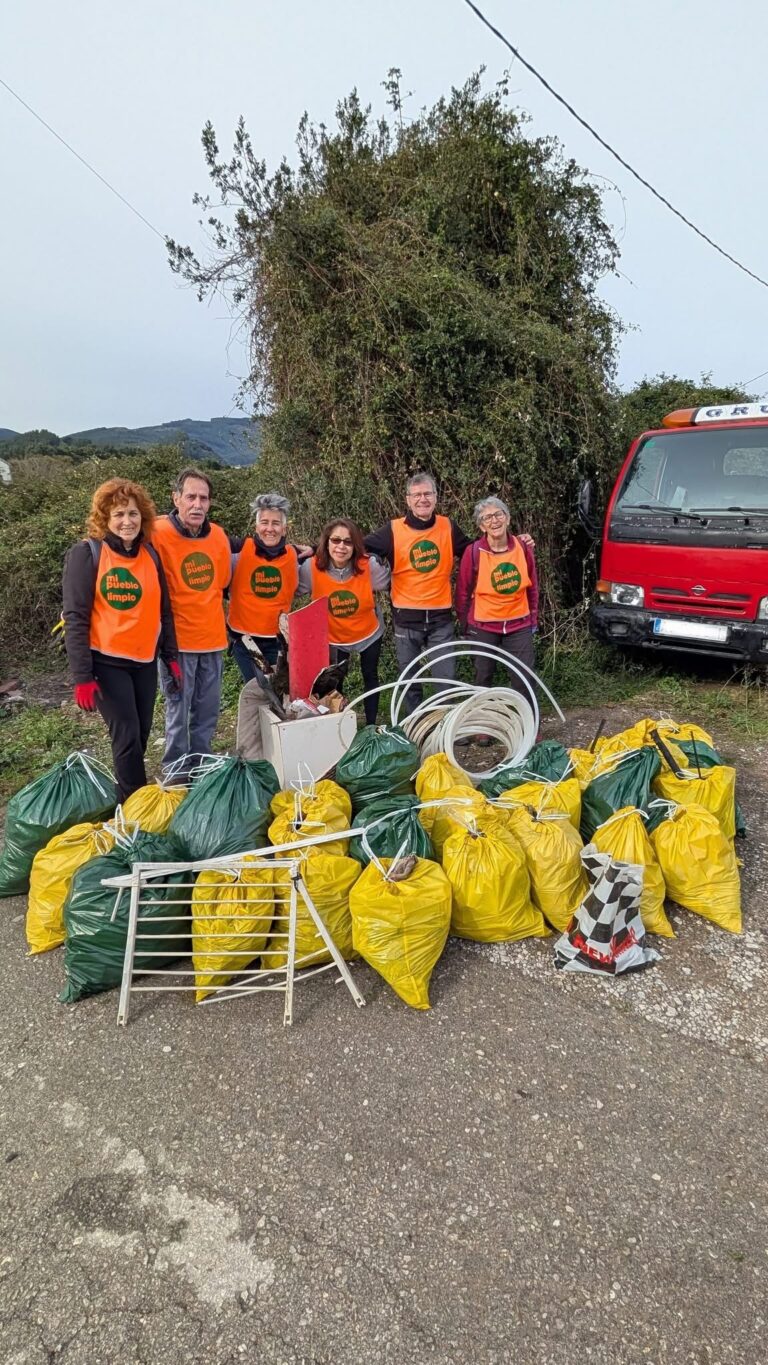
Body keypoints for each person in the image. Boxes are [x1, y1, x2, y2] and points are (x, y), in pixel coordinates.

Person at [62, 478, 182, 802]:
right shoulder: (87, 555)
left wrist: (170, 656)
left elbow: (164, 611)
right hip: (105, 661)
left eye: (132, 514)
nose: (127, 521)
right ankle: (135, 813)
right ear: (105, 518)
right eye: (118, 515)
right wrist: (82, 677)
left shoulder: (150, 556)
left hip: (143, 662)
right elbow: (75, 618)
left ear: (142, 517)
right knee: (127, 735)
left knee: (140, 734)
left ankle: (124, 797)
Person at [364, 472, 473, 712]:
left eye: (427, 494)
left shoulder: (448, 527)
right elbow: (354, 547)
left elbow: (474, 552)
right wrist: (315, 551)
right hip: (406, 619)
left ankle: (446, 727)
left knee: (445, 679)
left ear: (435, 497)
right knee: (409, 679)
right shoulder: (392, 530)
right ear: (407, 499)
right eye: (417, 495)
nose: (422, 499)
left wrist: (511, 543)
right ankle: (414, 727)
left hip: (440, 618)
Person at [151, 468, 232, 772]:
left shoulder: (219, 537)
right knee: (177, 709)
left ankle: (201, 764)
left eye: (204, 498)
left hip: (212, 639)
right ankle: (175, 770)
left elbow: (222, 582)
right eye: (191, 497)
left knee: (208, 710)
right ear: (176, 498)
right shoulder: (156, 532)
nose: (197, 504)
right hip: (177, 643)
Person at [298, 519, 391, 725]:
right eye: (336, 540)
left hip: (368, 631)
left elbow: (396, 582)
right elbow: (289, 590)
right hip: (334, 636)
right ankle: (336, 725)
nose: (341, 546)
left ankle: (371, 727)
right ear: (327, 543)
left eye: (348, 542)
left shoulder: (368, 566)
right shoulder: (311, 568)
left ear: (355, 545)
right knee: (334, 682)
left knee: (370, 676)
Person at [455, 496, 538, 699]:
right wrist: (466, 625)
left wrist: (532, 620)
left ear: (507, 518)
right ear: (481, 526)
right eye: (487, 518)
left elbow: (533, 587)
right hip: (483, 626)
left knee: (524, 678)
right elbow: (463, 592)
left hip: (518, 624)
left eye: (498, 514)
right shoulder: (473, 552)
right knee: (483, 678)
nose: (494, 521)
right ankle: (484, 725)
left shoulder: (523, 547)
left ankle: (530, 725)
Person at [228, 493, 301, 681]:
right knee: (256, 689)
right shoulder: (238, 550)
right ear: (256, 527)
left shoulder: (294, 556)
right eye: (265, 522)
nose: (270, 529)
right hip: (246, 640)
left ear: (284, 529)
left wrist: (316, 548)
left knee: (277, 692)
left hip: (278, 641)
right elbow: (205, 544)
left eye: (276, 523)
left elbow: (330, 554)